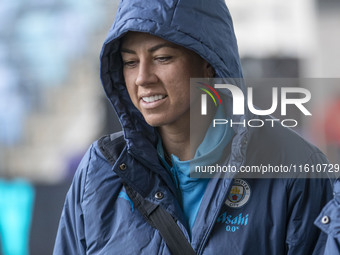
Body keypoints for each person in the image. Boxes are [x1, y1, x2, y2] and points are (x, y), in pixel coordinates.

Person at [54, 0, 333, 254]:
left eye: (162, 58)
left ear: (208, 63)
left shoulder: (295, 166)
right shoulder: (99, 170)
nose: (142, 78)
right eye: (129, 62)